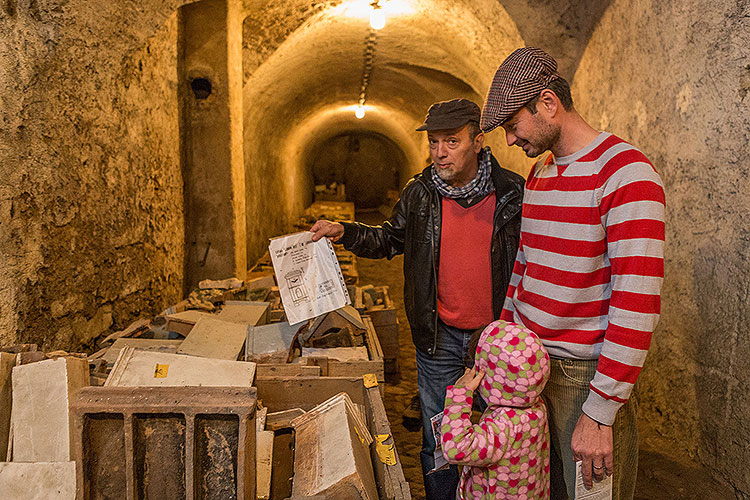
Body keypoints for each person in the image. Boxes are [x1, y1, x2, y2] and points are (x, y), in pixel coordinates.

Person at [310, 98, 525, 499]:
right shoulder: (420, 193)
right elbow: (390, 239)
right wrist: (348, 232)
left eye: (452, 141)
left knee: (507, 436)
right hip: (438, 338)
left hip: (498, 339)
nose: (440, 152)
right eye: (434, 143)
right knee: (439, 439)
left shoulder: (511, 191)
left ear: (478, 141)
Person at [480, 47, 665, 500]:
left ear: (547, 104)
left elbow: (636, 303)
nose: (509, 141)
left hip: (585, 378)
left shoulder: (627, 175)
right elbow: (524, 266)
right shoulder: (539, 173)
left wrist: (600, 412)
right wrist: (500, 349)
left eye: (512, 126)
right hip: (530, 369)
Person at [441, 319, 551, 499]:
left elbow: (456, 449)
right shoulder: (537, 407)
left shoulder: (503, 426)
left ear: (491, 375)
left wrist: (460, 395)